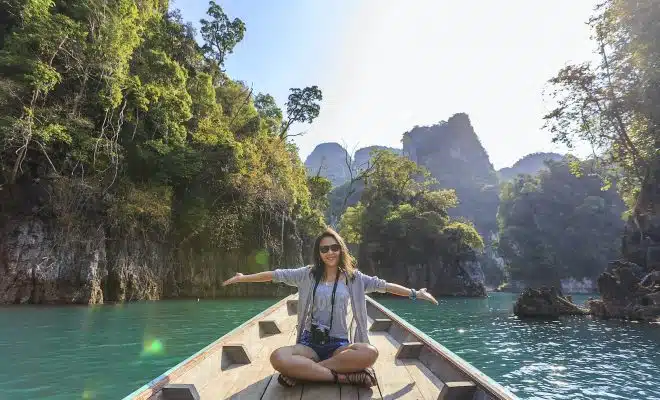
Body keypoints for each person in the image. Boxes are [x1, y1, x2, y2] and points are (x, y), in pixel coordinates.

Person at [222, 227, 439, 388]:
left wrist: (415, 294)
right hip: (309, 344)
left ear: (341, 249)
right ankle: (342, 377)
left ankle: (305, 372)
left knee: (369, 352)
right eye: (324, 249)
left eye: (334, 247)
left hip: (339, 345)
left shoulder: (355, 279)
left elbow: (385, 286)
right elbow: (275, 275)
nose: (330, 252)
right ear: (319, 253)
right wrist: (243, 278)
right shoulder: (306, 275)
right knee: (278, 357)